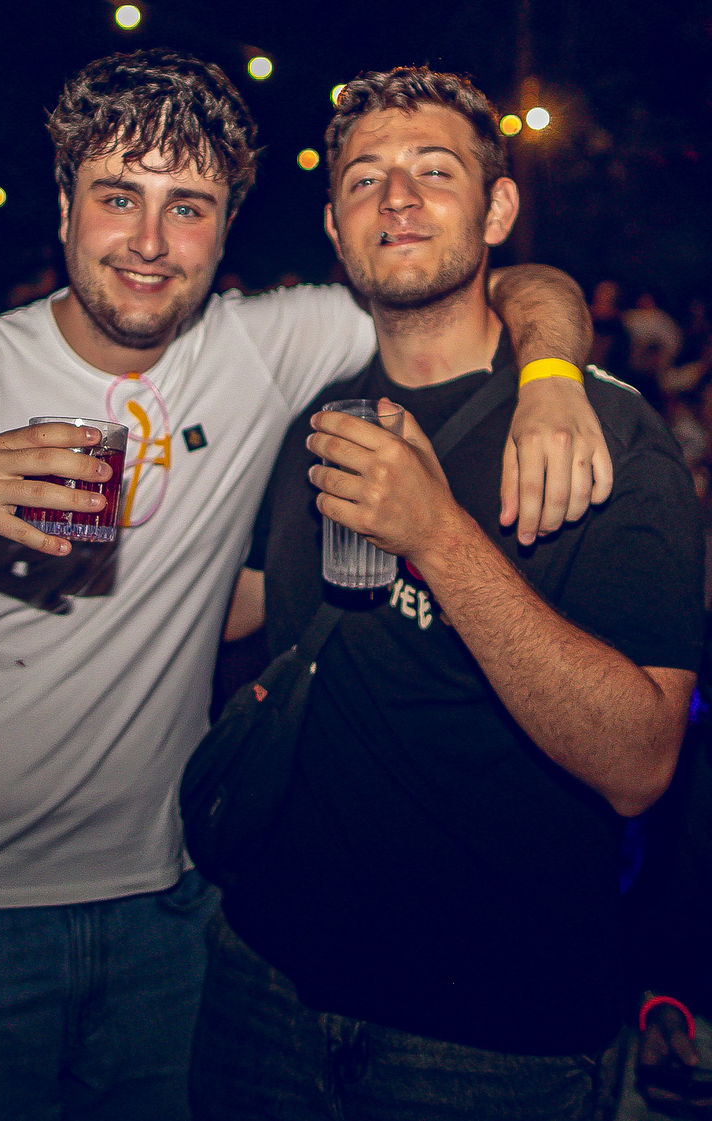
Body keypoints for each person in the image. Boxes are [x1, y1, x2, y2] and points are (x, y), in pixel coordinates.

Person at [0, 50, 610, 1121]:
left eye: (186, 207)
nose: (149, 241)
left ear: (224, 231)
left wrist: (550, 377)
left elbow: (504, 283)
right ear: (64, 209)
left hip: (172, 912)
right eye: (117, 197)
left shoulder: (260, 346)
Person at [191, 66, 705, 1121]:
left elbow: (638, 762)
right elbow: (236, 607)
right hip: (265, 984)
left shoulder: (605, 436)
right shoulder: (313, 421)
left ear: (497, 209)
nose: (397, 198)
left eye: (434, 170)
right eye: (364, 178)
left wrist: (437, 535)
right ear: (335, 228)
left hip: (487, 1036)